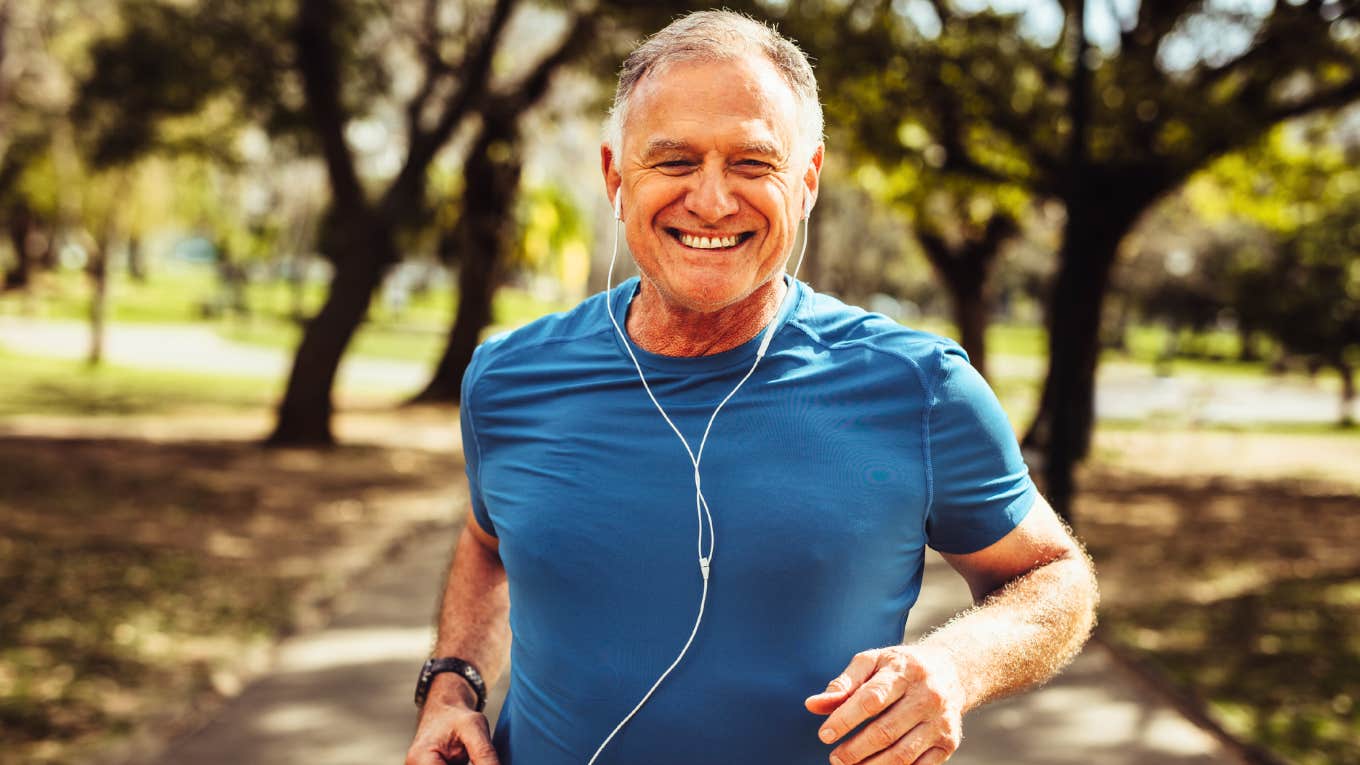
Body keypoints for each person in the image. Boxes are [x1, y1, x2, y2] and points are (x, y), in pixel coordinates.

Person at [405, 10, 1098, 765]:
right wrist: (452, 687)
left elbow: (1054, 576)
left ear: (806, 181)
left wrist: (955, 667)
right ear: (614, 175)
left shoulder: (921, 387)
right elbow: (487, 540)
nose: (710, 200)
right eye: (672, 161)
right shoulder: (508, 378)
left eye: (752, 163)